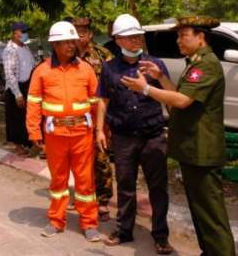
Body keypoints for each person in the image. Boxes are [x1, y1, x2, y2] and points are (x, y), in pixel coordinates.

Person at [121, 16, 234, 256]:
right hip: (193, 149)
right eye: (178, 36)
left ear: (201, 37)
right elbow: (179, 97)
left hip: (202, 150)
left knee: (211, 214)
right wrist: (160, 77)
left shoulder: (206, 65)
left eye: (183, 35)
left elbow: (182, 101)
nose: (178, 40)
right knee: (200, 210)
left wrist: (146, 88)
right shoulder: (194, 63)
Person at [97, 14, 173, 254]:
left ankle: (161, 236)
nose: (136, 40)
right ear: (118, 40)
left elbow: (172, 95)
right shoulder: (109, 68)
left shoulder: (155, 64)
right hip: (123, 137)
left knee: (158, 188)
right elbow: (103, 100)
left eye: (138, 36)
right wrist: (100, 130)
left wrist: (160, 77)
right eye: (130, 37)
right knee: (125, 185)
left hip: (153, 136)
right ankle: (124, 230)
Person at [26, 21, 101, 243]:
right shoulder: (42, 71)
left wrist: (100, 130)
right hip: (55, 136)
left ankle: (89, 223)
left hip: (82, 134)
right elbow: (33, 103)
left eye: (72, 41)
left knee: (85, 181)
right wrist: (34, 132)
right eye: (65, 42)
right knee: (58, 181)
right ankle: (56, 220)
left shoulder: (86, 69)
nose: (70, 45)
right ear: (55, 45)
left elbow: (96, 102)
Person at [72, 17, 114, 221]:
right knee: (79, 159)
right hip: (75, 115)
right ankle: (82, 195)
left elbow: (114, 83)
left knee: (101, 158)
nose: (79, 37)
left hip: (99, 115)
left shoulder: (103, 54)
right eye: (76, 33)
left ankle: (103, 201)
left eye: (82, 33)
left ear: (89, 34)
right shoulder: (66, 55)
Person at [3, 21, 35, 153]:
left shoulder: (25, 48)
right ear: (15, 33)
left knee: (27, 116)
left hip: (28, 85)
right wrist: (17, 94)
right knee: (16, 118)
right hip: (16, 87)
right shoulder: (10, 50)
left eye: (27, 31)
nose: (26, 34)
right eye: (23, 31)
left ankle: (28, 143)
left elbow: (31, 64)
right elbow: (9, 74)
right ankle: (18, 146)